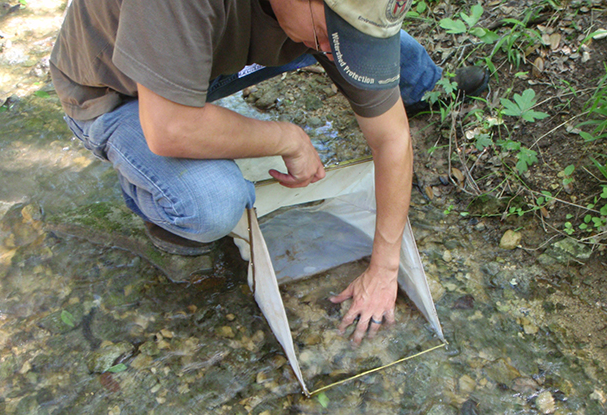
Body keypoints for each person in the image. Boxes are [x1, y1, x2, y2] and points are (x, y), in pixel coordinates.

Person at [49, 0, 487, 345]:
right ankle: (154, 197)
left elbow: (392, 141)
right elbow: (170, 128)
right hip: (118, 90)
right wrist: (286, 138)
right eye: (333, 34)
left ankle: (424, 86)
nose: (336, 49)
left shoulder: (324, 20)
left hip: (233, 48)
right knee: (212, 205)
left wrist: (385, 269)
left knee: (366, 44)